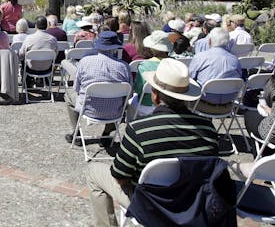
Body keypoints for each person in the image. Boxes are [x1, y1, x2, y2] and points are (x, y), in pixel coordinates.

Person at [86, 58, 219, 227]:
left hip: (150, 205)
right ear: (186, 97)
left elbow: (119, 175)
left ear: (155, 95)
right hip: (192, 202)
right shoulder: (208, 129)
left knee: (93, 171)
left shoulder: (139, 129)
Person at [66, 31, 129, 145]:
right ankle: (106, 134)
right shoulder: (124, 67)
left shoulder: (85, 62)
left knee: (69, 95)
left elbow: (77, 88)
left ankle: (76, 133)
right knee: (120, 101)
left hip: (88, 109)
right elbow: (128, 94)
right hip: (115, 112)